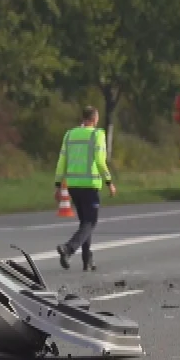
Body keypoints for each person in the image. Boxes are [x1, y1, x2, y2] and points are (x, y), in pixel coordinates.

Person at [54, 106, 116, 271]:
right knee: (91, 222)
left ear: (83, 118)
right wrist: (109, 181)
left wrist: (58, 185)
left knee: (84, 223)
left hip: (73, 186)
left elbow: (61, 162)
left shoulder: (69, 135)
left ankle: (86, 259)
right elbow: (100, 161)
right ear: (95, 119)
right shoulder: (98, 135)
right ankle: (68, 248)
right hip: (90, 186)